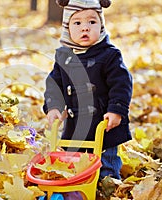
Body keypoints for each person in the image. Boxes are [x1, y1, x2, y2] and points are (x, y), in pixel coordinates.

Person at [43, 0, 133, 180]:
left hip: (103, 125)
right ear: (67, 27)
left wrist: (116, 109)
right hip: (75, 125)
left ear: (101, 25)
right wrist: (53, 107)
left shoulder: (109, 55)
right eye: (77, 23)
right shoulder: (64, 56)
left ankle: (109, 185)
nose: (85, 28)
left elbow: (121, 83)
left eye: (92, 22)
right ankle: (78, 185)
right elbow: (54, 85)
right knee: (76, 162)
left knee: (106, 162)